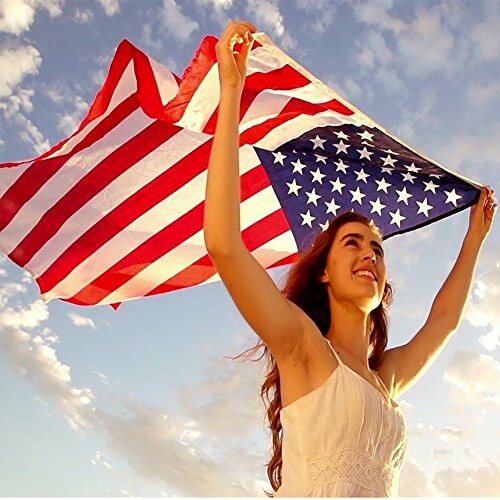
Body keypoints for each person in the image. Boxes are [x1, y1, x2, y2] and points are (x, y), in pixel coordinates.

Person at [203, 20, 498, 498]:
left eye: (377, 248)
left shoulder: (385, 381)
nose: (370, 254)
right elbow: (224, 245)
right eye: (353, 244)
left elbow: (442, 321)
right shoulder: (303, 348)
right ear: (323, 272)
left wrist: (475, 238)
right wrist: (232, 92)